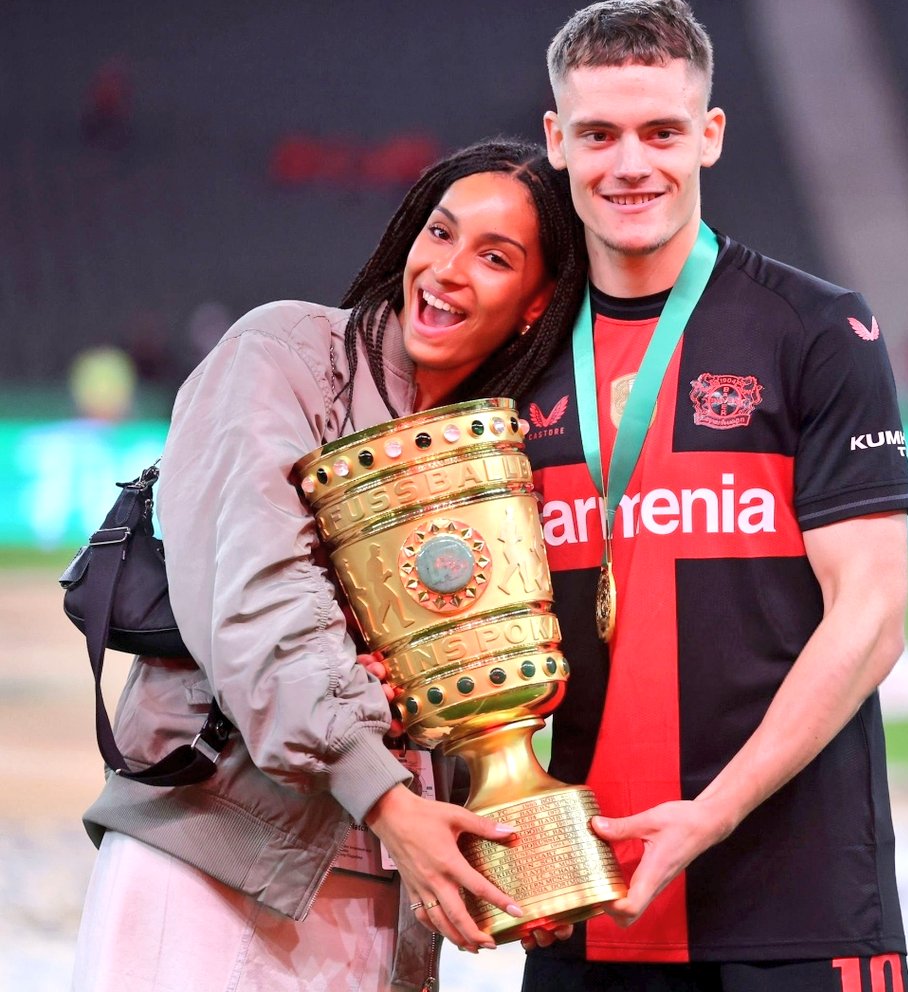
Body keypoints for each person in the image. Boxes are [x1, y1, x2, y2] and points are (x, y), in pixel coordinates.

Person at [72, 138, 587, 992]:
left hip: (381, 901)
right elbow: (259, 599)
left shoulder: (504, 442)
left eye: (494, 258)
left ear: (537, 304)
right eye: (440, 233)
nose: (448, 270)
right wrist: (386, 798)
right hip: (214, 864)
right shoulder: (286, 355)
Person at [520, 0, 908, 991]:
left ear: (710, 135)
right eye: (599, 134)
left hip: (797, 902)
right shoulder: (515, 361)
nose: (631, 164)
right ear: (556, 142)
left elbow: (869, 618)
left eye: (661, 131)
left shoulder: (815, 330)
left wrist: (712, 810)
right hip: (585, 901)